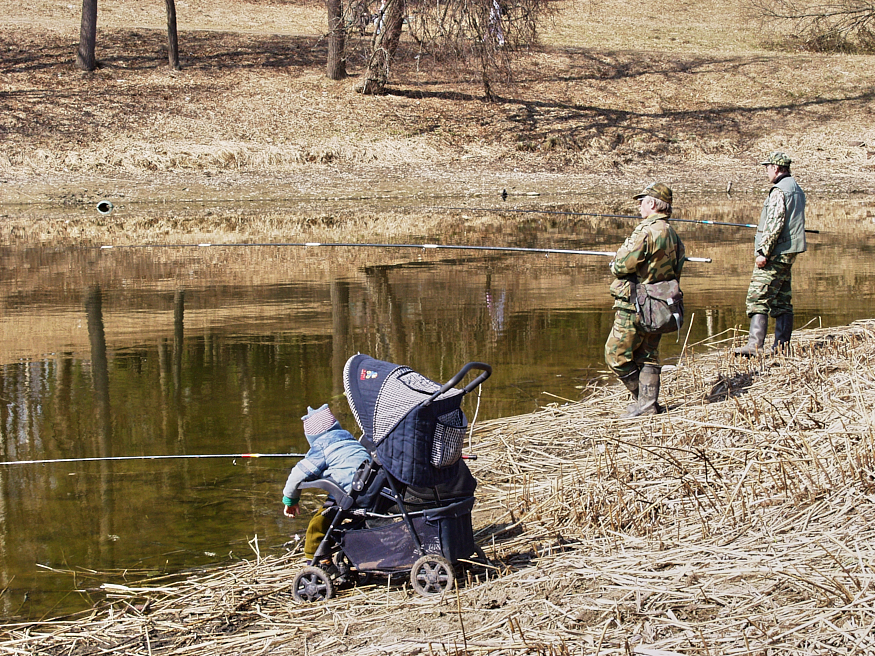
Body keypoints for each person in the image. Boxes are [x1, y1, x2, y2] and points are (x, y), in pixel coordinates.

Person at [605, 182, 685, 418]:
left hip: (635, 304)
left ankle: (644, 403)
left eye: (642, 202)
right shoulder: (673, 234)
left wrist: (614, 262)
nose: (639, 206)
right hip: (660, 306)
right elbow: (676, 271)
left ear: (652, 203)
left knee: (615, 355)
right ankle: (649, 406)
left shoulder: (646, 231)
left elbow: (621, 265)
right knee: (648, 354)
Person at [734, 152, 806, 356]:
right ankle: (782, 347)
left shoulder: (779, 190)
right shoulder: (796, 188)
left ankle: (754, 346)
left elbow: (775, 224)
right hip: (788, 252)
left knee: (757, 297)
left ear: (775, 168)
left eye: (767, 168)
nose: (766, 172)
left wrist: (763, 252)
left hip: (776, 252)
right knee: (782, 299)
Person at [282, 404, 370, 560]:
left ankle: (317, 561)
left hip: (348, 494)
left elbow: (297, 475)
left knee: (317, 525)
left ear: (311, 437)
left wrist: (291, 500)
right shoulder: (350, 440)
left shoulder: (321, 447)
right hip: (371, 490)